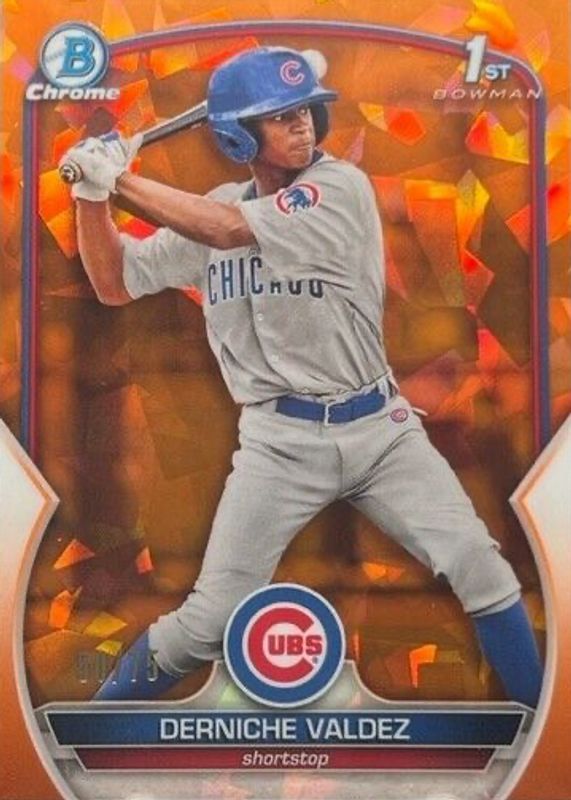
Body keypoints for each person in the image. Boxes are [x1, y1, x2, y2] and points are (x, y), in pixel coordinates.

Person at [61, 46, 542, 707]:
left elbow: (229, 229)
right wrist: (92, 197)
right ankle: (96, 725)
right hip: (276, 444)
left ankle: (546, 728)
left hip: (379, 432)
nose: (302, 125)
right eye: (279, 116)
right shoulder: (212, 207)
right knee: (206, 622)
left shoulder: (338, 189)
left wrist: (118, 179)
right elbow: (115, 282)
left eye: (305, 111)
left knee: (477, 565)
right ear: (236, 136)